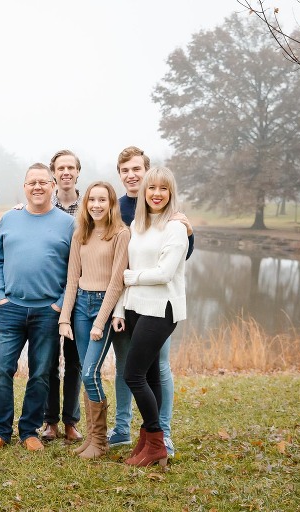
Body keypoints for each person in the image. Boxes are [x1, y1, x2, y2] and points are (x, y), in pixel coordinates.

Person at [109, 146, 194, 458]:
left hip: (161, 308)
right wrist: (119, 308)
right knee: (149, 375)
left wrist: (133, 277)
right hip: (135, 307)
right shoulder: (136, 225)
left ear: (171, 193)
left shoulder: (176, 225)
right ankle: (146, 440)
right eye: (152, 189)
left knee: (134, 374)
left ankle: (158, 440)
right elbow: (122, 266)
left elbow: (166, 272)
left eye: (163, 189)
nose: (156, 194)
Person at [0, 163, 74, 452]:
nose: (37, 187)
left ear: (53, 186)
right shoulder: (8, 219)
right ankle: (0, 431)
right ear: (24, 187)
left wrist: (60, 304)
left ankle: (29, 431)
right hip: (11, 308)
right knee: (0, 369)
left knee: (41, 373)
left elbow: (76, 268)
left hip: (48, 311)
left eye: (43, 182)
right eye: (31, 182)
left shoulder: (67, 223)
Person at [58, 181, 129, 459]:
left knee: (89, 373)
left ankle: (100, 442)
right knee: (89, 374)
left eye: (103, 200)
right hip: (80, 308)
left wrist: (101, 321)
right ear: (86, 204)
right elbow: (72, 278)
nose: (96, 205)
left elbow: (116, 282)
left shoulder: (121, 234)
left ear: (112, 204)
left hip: (104, 307)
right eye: (92, 200)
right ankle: (91, 439)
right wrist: (65, 318)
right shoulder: (81, 234)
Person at [42, 149, 84, 443]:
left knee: (75, 362)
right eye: (61, 167)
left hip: (80, 295)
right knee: (47, 362)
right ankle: (49, 422)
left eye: (71, 167)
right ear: (53, 173)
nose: (66, 172)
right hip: (49, 295)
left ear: (78, 172)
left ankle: (71, 421)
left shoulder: (90, 207)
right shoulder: (42, 206)